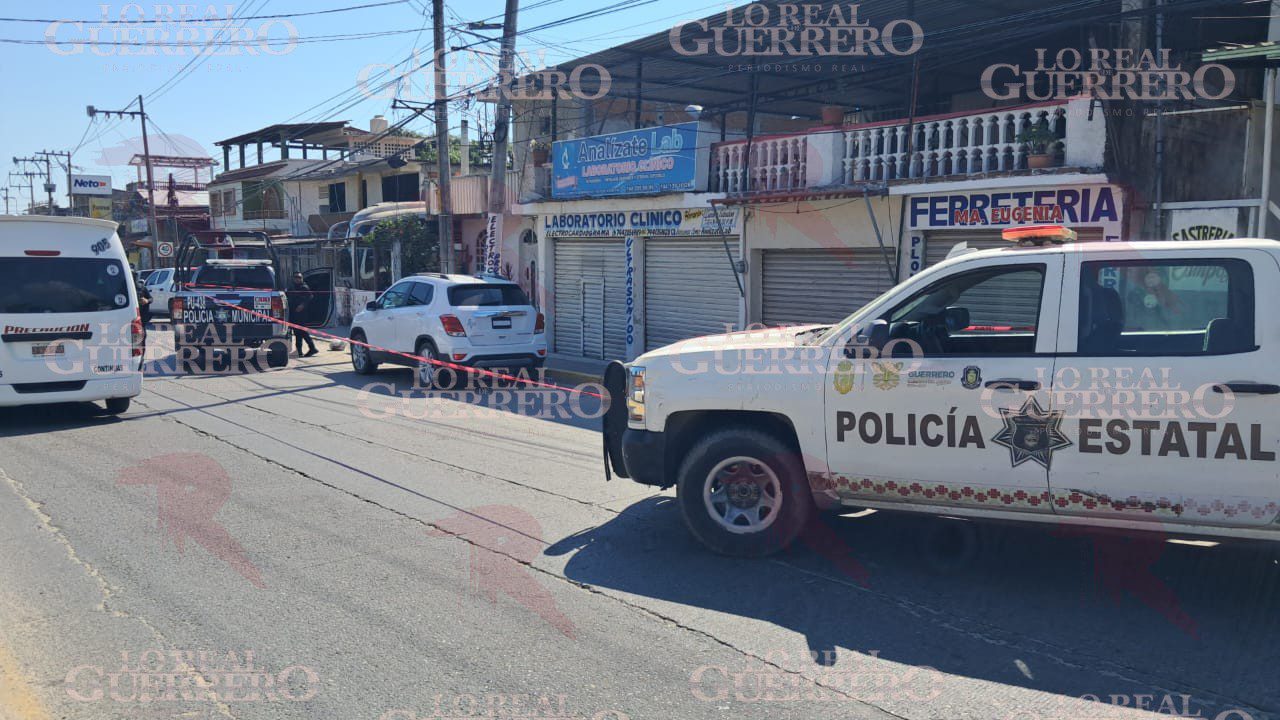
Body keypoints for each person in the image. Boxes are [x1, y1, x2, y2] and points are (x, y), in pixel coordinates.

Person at [288, 272, 318, 357]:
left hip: (301, 314)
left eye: (299, 277)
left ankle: (312, 348)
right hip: (293, 313)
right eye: (296, 277)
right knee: (297, 332)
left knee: (302, 331)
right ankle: (299, 351)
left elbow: (310, 297)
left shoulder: (304, 287)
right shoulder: (292, 287)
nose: (298, 279)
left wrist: (302, 305)